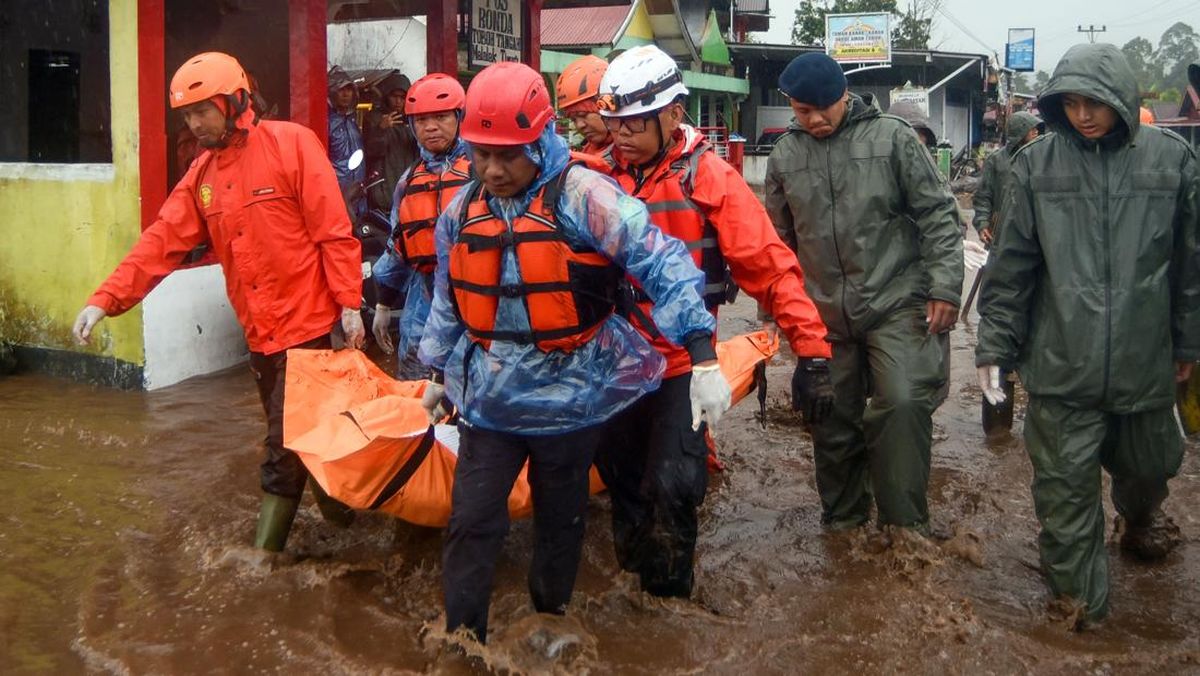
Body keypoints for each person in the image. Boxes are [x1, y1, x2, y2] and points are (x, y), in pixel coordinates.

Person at [417, 61, 731, 643]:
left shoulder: (584, 195)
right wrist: (435, 369)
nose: (493, 168)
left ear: (540, 138)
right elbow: (447, 295)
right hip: (490, 400)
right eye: (482, 153)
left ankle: (549, 625)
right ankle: (462, 641)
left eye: (508, 154)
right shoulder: (461, 210)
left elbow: (663, 263)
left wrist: (702, 354)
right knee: (471, 521)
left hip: (571, 399)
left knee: (559, 523)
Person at [71, 52, 366, 553]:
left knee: (283, 446)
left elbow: (333, 231)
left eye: (202, 110)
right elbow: (161, 241)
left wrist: (350, 302)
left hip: (309, 330)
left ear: (235, 102)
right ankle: (353, 529)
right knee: (307, 439)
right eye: (187, 115)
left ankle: (261, 560)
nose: (195, 123)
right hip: (260, 335)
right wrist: (105, 299)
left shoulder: (292, 145)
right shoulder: (202, 177)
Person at [593, 45, 832, 598]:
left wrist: (813, 352)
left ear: (673, 114)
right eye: (614, 124)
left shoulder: (712, 179)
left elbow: (771, 269)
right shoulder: (593, 175)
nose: (620, 136)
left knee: (676, 485)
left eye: (633, 124)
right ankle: (634, 586)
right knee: (622, 481)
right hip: (611, 362)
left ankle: (670, 601)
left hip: (682, 363)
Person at [976, 43, 1200, 627]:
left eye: (1094, 102)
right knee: (1065, 500)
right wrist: (995, 349)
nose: (1083, 115)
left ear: (1122, 98)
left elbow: (1190, 266)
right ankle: (1083, 620)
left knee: (1153, 463)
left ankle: (1140, 517)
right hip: (1060, 367)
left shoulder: (1172, 161)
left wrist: (1189, 344)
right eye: (1070, 103)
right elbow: (1011, 268)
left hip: (1144, 361)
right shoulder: (1035, 165)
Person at [765, 53, 964, 535]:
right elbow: (776, 242)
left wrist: (944, 286)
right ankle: (845, 523)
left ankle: (904, 529)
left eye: (821, 108)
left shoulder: (892, 139)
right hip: (824, 314)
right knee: (829, 416)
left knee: (900, 402)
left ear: (843, 96)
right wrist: (775, 311)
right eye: (800, 109)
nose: (812, 119)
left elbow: (939, 213)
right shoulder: (785, 155)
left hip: (896, 300)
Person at [371, 73, 472, 379]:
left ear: (459, 117)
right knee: (417, 409)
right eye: (421, 120)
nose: (430, 127)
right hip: (422, 313)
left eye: (441, 117)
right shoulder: (408, 182)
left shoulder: (486, 173)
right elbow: (397, 247)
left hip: (474, 306)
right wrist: (383, 305)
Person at [972, 111, 1042, 245]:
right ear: (1020, 132)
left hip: (1033, 232)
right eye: (1031, 129)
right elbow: (983, 196)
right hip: (1001, 232)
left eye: (1036, 129)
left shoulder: (1040, 158)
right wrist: (982, 223)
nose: (1036, 132)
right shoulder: (996, 160)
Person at [364, 71, 420, 213]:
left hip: (407, 187)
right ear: (387, 96)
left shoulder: (412, 120)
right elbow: (371, 151)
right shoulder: (375, 118)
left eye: (402, 97)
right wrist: (381, 129)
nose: (398, 102)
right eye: (394, 97)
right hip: (384, 190)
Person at [556, 54, 614, 156]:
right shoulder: (588, 152)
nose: (579, 125)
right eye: (573, 119)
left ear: (607, 105)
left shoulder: (635, 156)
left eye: (583, 115)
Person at [328, 65, 365, 217]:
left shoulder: (352, 121)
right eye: (340, 90)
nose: (345, 94)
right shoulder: (326, 122)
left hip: (358, 190)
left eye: (349, 90)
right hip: (336, 193)